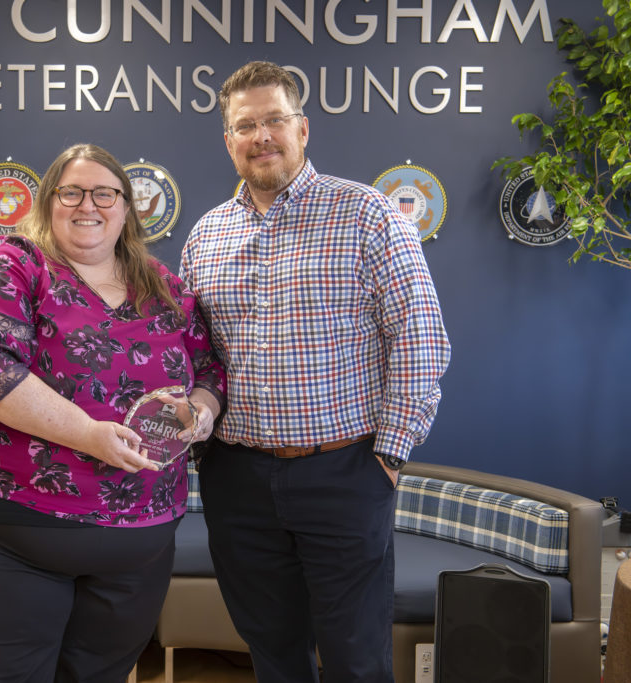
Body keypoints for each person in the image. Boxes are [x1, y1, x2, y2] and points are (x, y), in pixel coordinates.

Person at [179, 61, 451, 682]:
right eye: (245, 125)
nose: (262, 135)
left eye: (275, 119)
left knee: (356, 658)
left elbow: (419, 339)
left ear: (303, 128)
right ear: (229, 141)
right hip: (237, 479)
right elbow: (199, 356)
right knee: (272, 654)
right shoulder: (206, 236)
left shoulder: (368, 214)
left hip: (346, 473)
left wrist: (389, 455)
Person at [0, 143, 226, 683]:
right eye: (72, 191)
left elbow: (209, 371)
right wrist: (88, 434)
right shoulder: (15, 264)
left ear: (127, 208)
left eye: (105, 193)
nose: (88, 204)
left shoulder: (166, 286)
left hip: (138, 543)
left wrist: (201, 413)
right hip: (10, 528)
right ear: (48, 202)